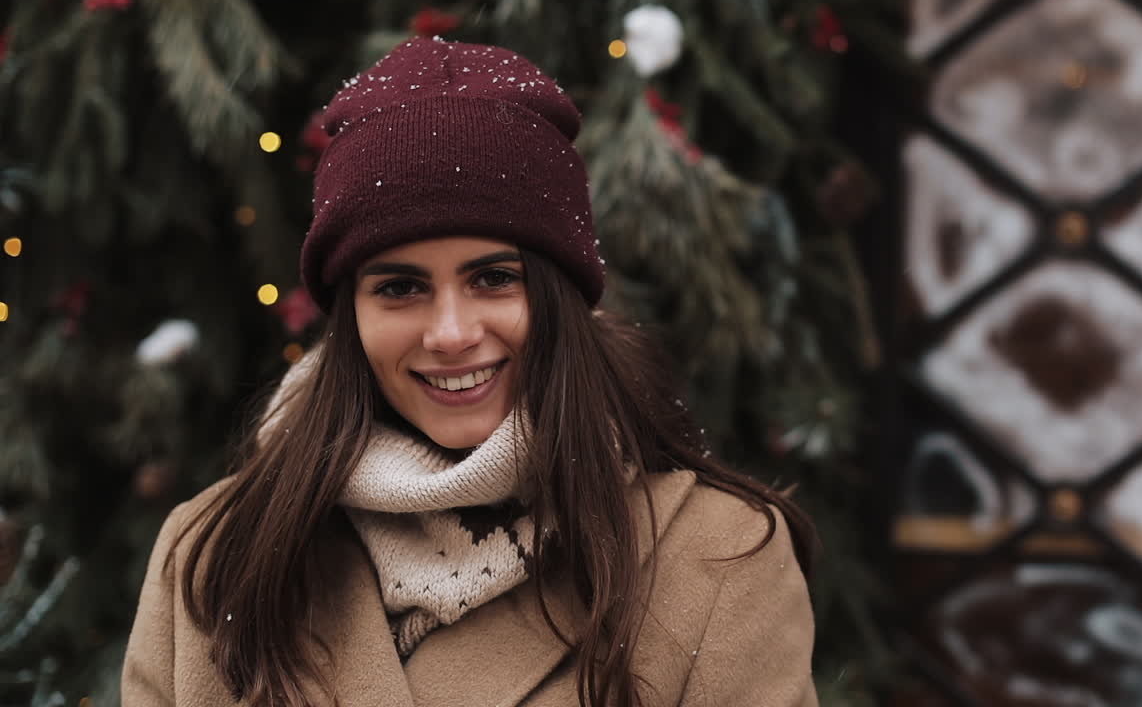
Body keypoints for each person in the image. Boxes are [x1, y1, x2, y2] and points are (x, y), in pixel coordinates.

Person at [121, 37, 818, 707]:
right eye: (399, 287)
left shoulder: (720, 559)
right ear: (350, 316)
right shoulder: (215, 556)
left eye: (493, 279)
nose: (451, 333)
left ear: (558, 295)